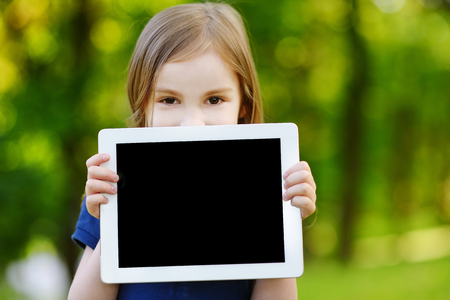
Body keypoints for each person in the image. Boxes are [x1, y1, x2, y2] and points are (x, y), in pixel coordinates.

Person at [68, 2, 317, 299]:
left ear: (243, 105)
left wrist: (282, 226)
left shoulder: (262, 189)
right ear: (142, 105)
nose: (192, 125)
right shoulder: (113, 187)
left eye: (214, 100)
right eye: (169, 100)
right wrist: (114, 227)